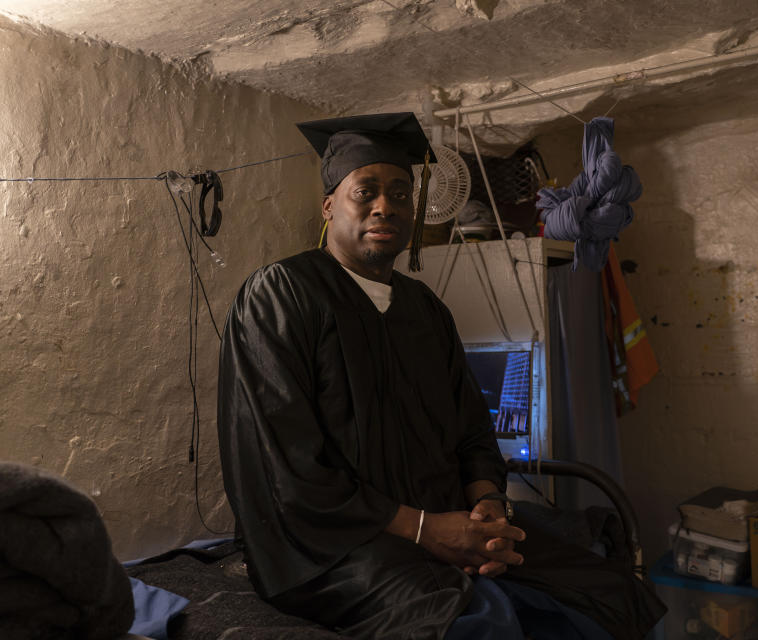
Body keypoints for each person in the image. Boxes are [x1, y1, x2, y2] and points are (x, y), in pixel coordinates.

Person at [217, 113, 664, 639]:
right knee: (476, 622)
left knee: (609, 588)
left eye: (401, 194)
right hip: (334, 546)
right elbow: (285, 468)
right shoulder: (281, 295)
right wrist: (428, 531)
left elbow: (472, 429)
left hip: (448, 520)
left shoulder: (425, 309)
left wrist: (486, 512)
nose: (386, 205)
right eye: (365, 192)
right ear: (329, 206)